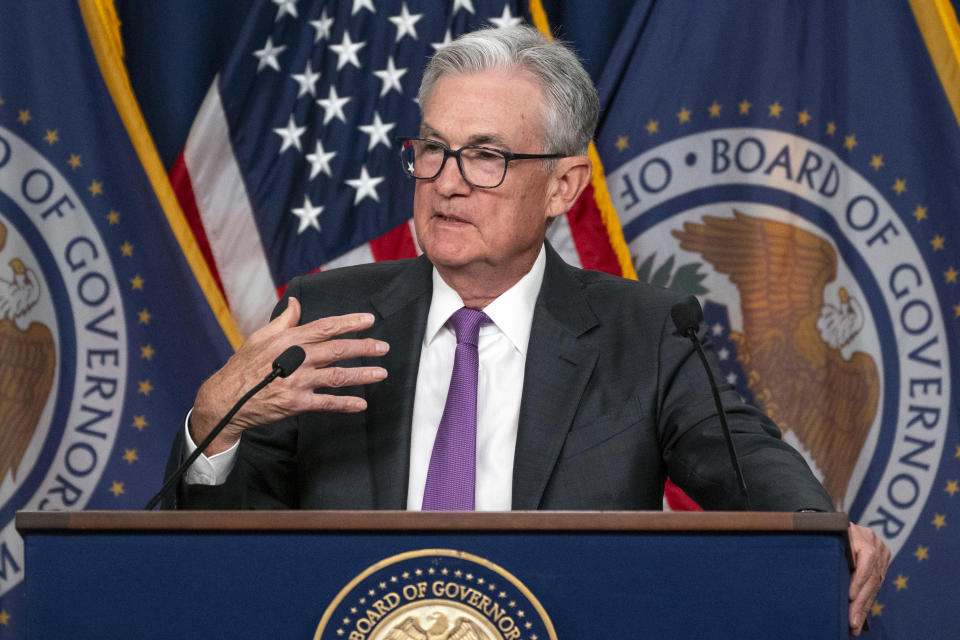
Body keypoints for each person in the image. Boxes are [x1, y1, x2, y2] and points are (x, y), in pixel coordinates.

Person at [166, 25, 889, 635]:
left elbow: (747, 463)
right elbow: (226, 548)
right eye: (432, 149)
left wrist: (822, 534)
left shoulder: (644, 332)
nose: (446, 181)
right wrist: (213, 431)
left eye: (485, 156)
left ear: (564, 187)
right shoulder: (326, 320)